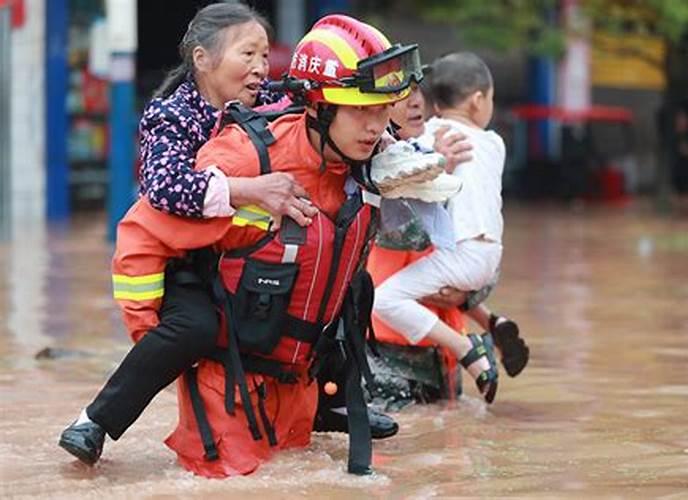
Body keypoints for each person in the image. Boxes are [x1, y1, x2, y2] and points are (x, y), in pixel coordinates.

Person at [57, 4, 394, 468]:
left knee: (350, 282)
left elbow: (318, 103)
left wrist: (388, 139)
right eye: (248, 53)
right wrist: (250, 189)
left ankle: (331, 400)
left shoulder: (265, 99)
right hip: (182, 256)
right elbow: (163, 188)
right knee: (192, 329)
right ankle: (95, 420)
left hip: (235, 248)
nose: (260, 66)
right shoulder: (172, 114)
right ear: (202, 59)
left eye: (263, 54)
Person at [372, 52, 529, 405]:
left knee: (445, 440)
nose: (414, 103)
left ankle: (477, 338)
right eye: (401, 95)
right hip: (389, 351)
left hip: (438, 342)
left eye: (418, 93)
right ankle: (487, 327)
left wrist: (434, 160)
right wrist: (433, 164)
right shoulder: (376, 160)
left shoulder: (434, 140)